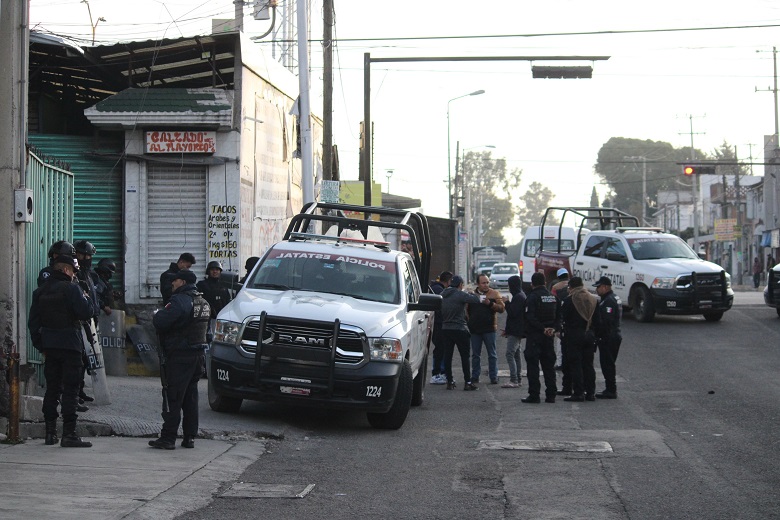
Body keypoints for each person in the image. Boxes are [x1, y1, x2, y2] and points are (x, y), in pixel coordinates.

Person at [28, 254, 96, 447]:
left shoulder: (40, 292)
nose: (74, 275)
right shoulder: (72, 289)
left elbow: (33, 324)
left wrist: (42, 345)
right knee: (71, 390)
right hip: (71, 346)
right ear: (66, 270)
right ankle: (69, 434)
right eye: (73, 272)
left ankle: (50, 434)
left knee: (52, 389)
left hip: (50, 347)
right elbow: (86, 312)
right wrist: (87, 298)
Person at [149, 269, 211, 450]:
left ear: (182, 282)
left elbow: (161, 321)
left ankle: (168, 438)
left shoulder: (179, 301)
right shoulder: (203, 301)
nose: (172, 284)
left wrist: (157, 314)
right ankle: (189, 437)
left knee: (173, 396)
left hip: (180, 356)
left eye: (175, 281)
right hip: (197, 356)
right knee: (190, 398)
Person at [440, 275, 486, 391]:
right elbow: (476, 300)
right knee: (464, 357)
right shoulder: (460, 294)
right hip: (460, 329)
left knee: (447, 356)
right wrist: (469, 293)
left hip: (446, 328)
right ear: (460, 284)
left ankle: (449, 381)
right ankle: (468, 382)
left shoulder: (442, 294)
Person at [522, 272, 560, 403]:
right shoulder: (553, 297)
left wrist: (542, 328)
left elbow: (529, 317)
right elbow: (559, 317)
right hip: (549, 336)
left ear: (532, 284)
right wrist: (553, 329)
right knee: (549, 366)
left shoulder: (532, 297)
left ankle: (534, 395)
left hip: (535, 336)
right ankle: (551, 395)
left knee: (533, 367)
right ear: (545, 283)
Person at [559, 277, 598, 402]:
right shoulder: (593, 299)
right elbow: (598, 319)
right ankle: (590, 392)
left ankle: (578, 392)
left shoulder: (569, 300)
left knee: (575, 364)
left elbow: (563, 317)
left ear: (571, 287)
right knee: (588, 364)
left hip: (574, 335)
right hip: (589, 334)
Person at [74, 240, 100, 408]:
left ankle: (80, 390)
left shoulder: (89, 274)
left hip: (91, 319)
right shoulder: (77, 274)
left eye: (89, 256)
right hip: (81, 322)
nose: (87, 258)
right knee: (78, 361)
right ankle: (74, 393)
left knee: (85, 360)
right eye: (83, 255)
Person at [467, 274, 505, 385]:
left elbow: (502, 308)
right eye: (483, 283)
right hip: (475, 329)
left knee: (492, 354)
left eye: (487, 282)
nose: (486, 285)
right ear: (478, 284)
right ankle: (475, 376)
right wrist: (470, 322)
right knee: (475, 355)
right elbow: (466, 310)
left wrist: (490, 304)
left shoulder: (494, 293)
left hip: (489, 329)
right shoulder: (472, 295)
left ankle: (493, 376)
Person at [593, 276, 622, 399]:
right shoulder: (613, 297)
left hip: (609, 337)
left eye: (598, 287)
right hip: (614, 335)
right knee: (608, 363)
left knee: (607, 364)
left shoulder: (608, 301)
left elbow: (606, 321)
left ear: (605, 287)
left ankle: (611, 390)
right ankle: (610, 388)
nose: (597, 290)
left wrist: (599, 335)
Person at [501, 275, 525, 388]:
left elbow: (512, 313)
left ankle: (514, 379)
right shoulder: (521, 295)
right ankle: (518, 378)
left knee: (510, 354)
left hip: (516, 331)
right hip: (517, 330)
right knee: (516, 355)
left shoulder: (518, 297)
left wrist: (506, 302)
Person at [429, 271, 453, 384]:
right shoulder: (439, 291)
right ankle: (437, 373)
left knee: (442, 349)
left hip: (438, 322)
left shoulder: (435, 288)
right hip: (438, 323)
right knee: (440, 349)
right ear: (448, 281)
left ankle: (442, 372)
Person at [551, 267, 570, 383]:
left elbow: (553, 301)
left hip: (560, 315)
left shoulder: (555, 287)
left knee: (559, 341)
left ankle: (559, 362)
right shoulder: (572, 284)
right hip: (571, 315)